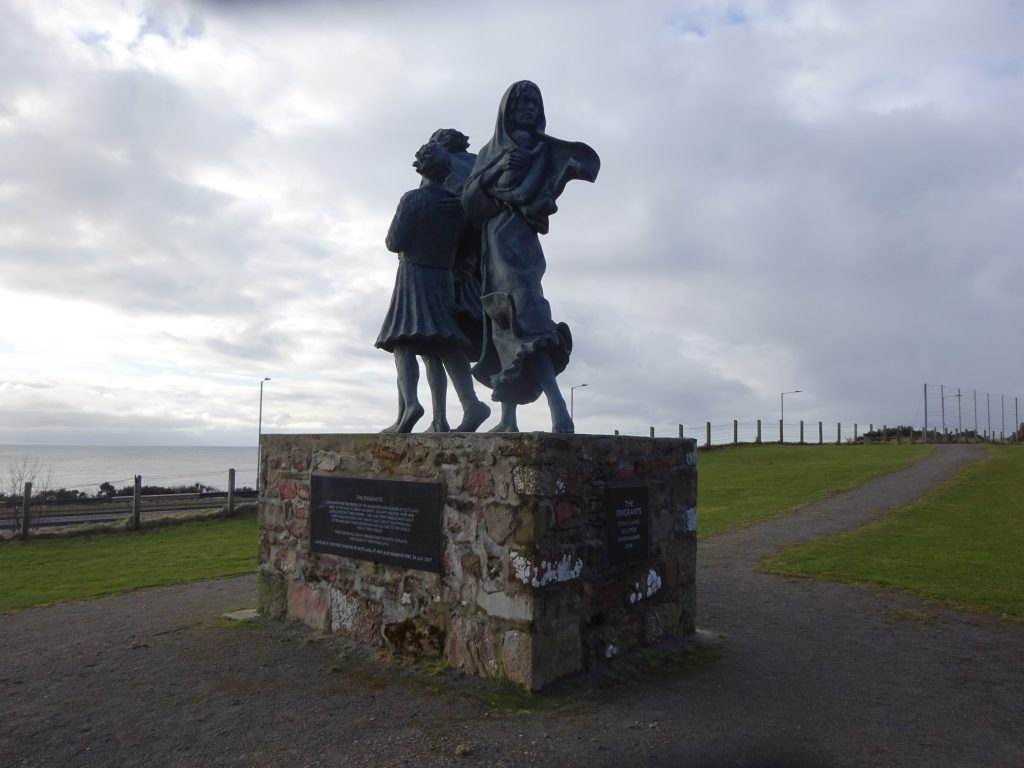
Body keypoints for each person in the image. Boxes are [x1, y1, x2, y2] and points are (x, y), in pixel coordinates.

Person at [461, 81, 599, 433]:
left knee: (528, 324)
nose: (529, 107)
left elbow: (544, 199)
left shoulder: (544, 151)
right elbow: (470, 202)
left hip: (521, 248)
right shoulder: (489, 152)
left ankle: (558, 409)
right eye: (522, 101)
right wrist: (498, 168)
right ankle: (508, 420)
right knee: (501, 328)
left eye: (535, 102)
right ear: (507, 109)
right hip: (493, 245)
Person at [375, 142, 491, 433]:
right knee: (443, 342)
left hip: (414, 274)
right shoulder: (458, 208)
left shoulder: (413, 199)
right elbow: (468, 247)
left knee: (402, 341)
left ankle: (411, 405)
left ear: (420, 168)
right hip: (444, 278)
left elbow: (394, 242)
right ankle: (468, 404)